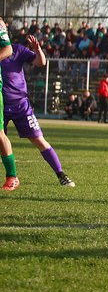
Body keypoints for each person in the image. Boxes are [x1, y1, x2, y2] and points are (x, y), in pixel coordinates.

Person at [1, 32, 75, 189]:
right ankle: (12, 177)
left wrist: (38, 49)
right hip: (1, 105)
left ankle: (61, 174)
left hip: (20, 105)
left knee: (38, 140)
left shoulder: (17, 50)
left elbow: (41, 62)